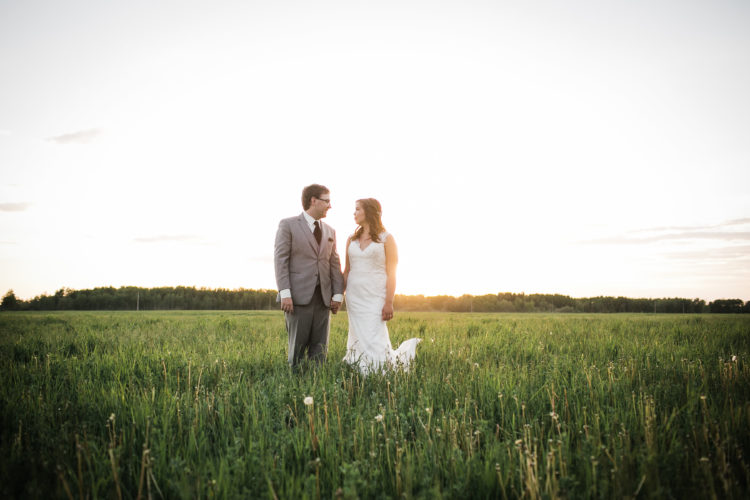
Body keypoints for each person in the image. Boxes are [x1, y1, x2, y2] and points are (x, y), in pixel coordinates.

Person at [342, 198, 420, 374]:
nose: (354, 213)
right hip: (354, 296)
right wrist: (339, 295)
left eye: (357, 209)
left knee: (375, 333)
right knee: (357, 333)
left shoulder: (387, 238)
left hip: (376, 295)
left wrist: (389, 301)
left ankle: (379, 368)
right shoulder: (351, 239)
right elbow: (346, 270)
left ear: (368, 212)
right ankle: (358, 364)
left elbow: (392, 272)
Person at [274, 184, 345, 367]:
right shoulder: (288, 225)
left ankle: (316, 385)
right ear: (313, 201)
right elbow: (280, 260)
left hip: (323, 299)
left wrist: (337, 294)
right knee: (296, 352)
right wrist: (285, 293)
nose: (330, 206)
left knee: (320, 351)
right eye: (327, 201)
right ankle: (294, 387)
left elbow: (334, 263)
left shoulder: (330, 231)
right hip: (297, 298)